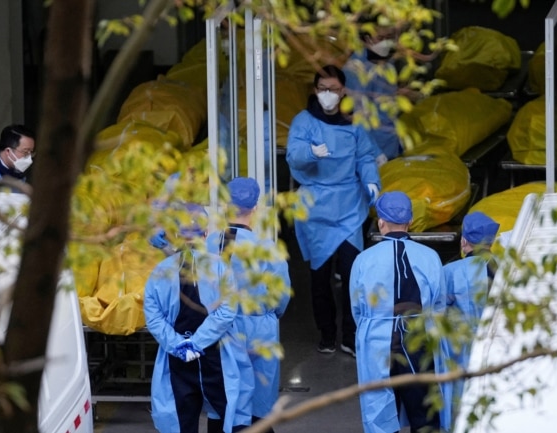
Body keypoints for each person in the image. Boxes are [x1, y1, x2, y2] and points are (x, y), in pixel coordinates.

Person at [286, 64, 381, 355]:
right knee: (319, 278)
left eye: (334, 90)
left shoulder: (354, 122)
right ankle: (327, 333)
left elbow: (365, 156)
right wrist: (309, 152)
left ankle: (350, 336)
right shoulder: (304, 121)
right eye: (323, 89)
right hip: (316, 208)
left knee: (353, 276)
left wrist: (372, 181)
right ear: (316, 91)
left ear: (344, 92)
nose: (328, 95)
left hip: (350, 205)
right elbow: (293, 155)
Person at [144, 203, 251, 433]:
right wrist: (199, 342)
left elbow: (153, 317)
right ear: (205, 234)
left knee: (182, 418)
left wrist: (179, 345)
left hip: (177, 360)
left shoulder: (159, 272)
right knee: (227, 415)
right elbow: (226, 311)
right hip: (216, 355)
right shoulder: (220, 268)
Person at [349, 191, 447, 433]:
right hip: (419, 339)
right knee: (424, 407)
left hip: (377, 340)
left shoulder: (363, 260)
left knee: (378, 407)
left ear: (380, 222)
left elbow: (357, 308)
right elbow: (439, 305)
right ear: (410, 221)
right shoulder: (431, 257)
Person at [206, 177, 291, 432]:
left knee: (220, 401)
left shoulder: (208, 245)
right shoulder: (269, 250)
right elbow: (280, 298)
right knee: (259, 403)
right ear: (255, 209)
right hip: (258, 331)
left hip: (217, 330)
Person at [441, 211, 500, 426]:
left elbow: (438, 310)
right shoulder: (504, 267)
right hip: (497, 347)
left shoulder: (451, 271)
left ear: (465, 240)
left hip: (460, 350)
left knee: (460, 403)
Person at [342, 24, 403, 165]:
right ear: (367, 39)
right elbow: (357, 118)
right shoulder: (355, 70)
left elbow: (389, 107)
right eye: (380, 38)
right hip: (370, 153)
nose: (385, 43)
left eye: (389, 38)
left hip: (389, 146)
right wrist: (376, 153)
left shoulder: (386, 63)